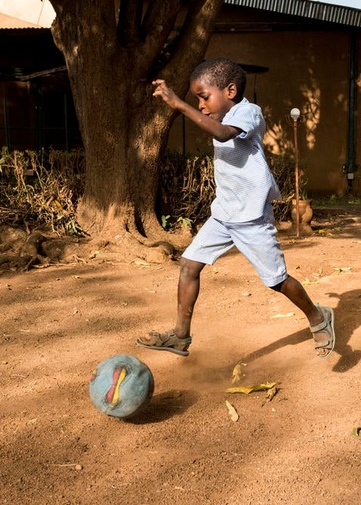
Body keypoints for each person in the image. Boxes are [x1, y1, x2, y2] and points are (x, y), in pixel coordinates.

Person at [136, 57, 336, 358]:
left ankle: (319, 317)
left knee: (276, 281)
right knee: (189, 265)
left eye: (204, 97)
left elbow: (224, 134)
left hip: (252, 218)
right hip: (224, 214)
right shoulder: (219, 116)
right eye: (197, 100)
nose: (201, 105)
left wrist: (179, 105)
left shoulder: (248, 113)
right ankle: (180, 337)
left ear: (230, 90)